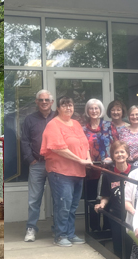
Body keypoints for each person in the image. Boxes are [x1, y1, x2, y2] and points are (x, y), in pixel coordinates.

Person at [41, 96, 92, 247]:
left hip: (78, 171)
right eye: (64, 106)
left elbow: (85, 145)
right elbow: (58, 148)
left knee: (73, 206)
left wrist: (87, 159)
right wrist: (80, 160)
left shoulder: (76, 124)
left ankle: (70, 233)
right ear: (58, 108)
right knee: (63, 205)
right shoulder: (53, 125)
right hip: (60, 172)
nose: (68, 108)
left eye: (70, 105)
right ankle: (60, 235)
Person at [22, 90, 57, 242]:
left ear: (52, 102)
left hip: (56, 163)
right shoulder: (29, 119)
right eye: (41, 100)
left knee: (58, 197)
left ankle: (58, 228)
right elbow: (24, 140)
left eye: (47, 100)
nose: (44, 102)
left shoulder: (58, 117)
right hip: (37, 164)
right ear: (36, 102)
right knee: (34, 199)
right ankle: (31, 228)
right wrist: (30, 158)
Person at [83, 98, 118, 232]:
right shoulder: (83, 129)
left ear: (101, 110)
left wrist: (112, 157)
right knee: (93, 200)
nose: (94, 111)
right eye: (91, 108)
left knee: (108, 198)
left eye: (96, 108)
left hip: (108, 170)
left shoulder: (110, 126)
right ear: (87, 111)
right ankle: (95, 228)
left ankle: (109, 228)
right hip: (91, 170)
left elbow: (116, 144)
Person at [93, 140, 131, 238]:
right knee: (118, 246)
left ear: (127, 154)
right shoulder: (108, 174)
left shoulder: (135, 172)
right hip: (116, 215)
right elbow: (105, 195)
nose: (119, 155)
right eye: (116, 152)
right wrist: (102, 204)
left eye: (122, 152)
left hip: (131, 214)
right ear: (113, 156)